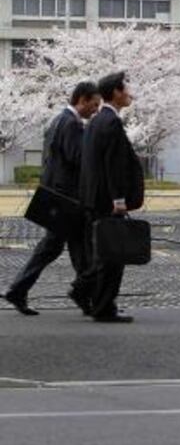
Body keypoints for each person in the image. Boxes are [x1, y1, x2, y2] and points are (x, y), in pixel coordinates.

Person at [4, 82, 101, 316]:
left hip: (58, 195)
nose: (95, 110)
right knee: (67, 247)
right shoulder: (72, 124)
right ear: (82, 100)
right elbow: (78, 158)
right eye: (94, 104)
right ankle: (84, 295)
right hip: (67, 198)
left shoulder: (58, 120)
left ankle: (85, 296)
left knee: (68, 247)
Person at [78, 71, 144, 323]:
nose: (129, 93)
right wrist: (118, 201)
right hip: (107, 200)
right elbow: (113, 165)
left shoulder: (96, 120)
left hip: (94, 197)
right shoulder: (111, 122)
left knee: (105, 252)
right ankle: (103, 306)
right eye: (126, 88)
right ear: (116, 92)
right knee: (113, 253)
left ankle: (91, 296)